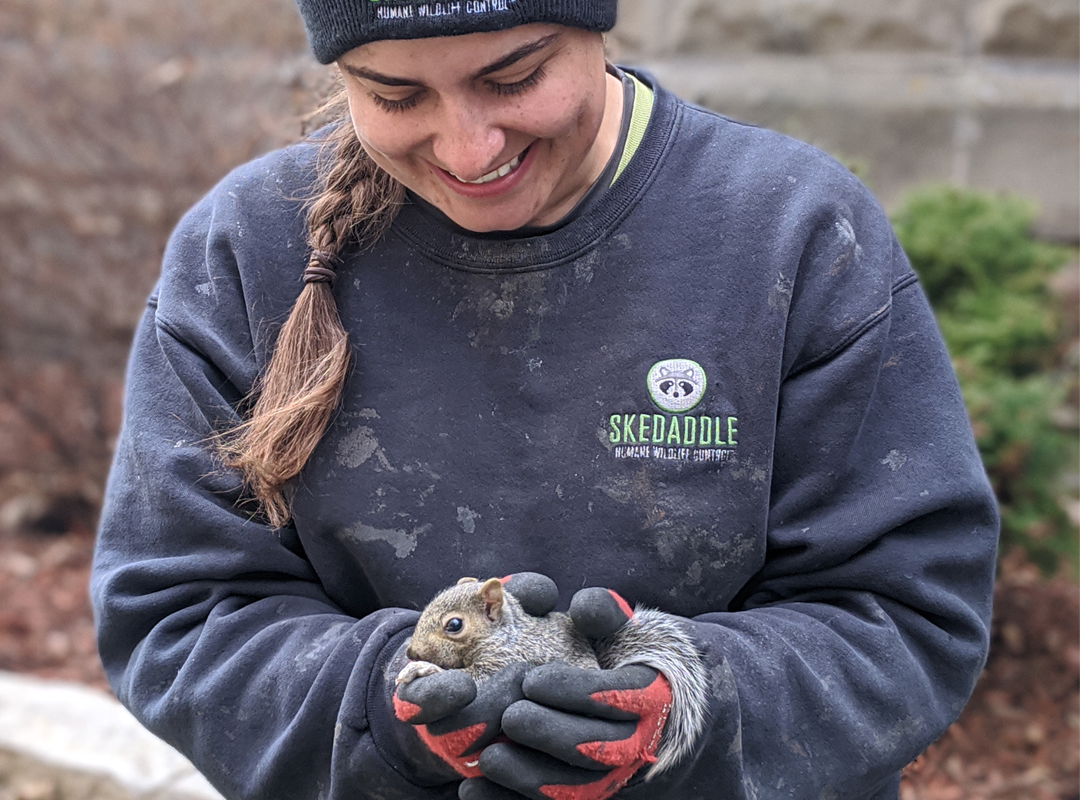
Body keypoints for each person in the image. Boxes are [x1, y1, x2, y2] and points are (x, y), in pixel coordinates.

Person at [90, 1, 1000, 798]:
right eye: (396, 97)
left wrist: (687, 711)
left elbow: (904, 615)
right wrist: (389, 713)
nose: (468, 147)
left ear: (594, 30)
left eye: (515, 77)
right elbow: (178, 611)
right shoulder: (246, 252)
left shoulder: (791, 232)